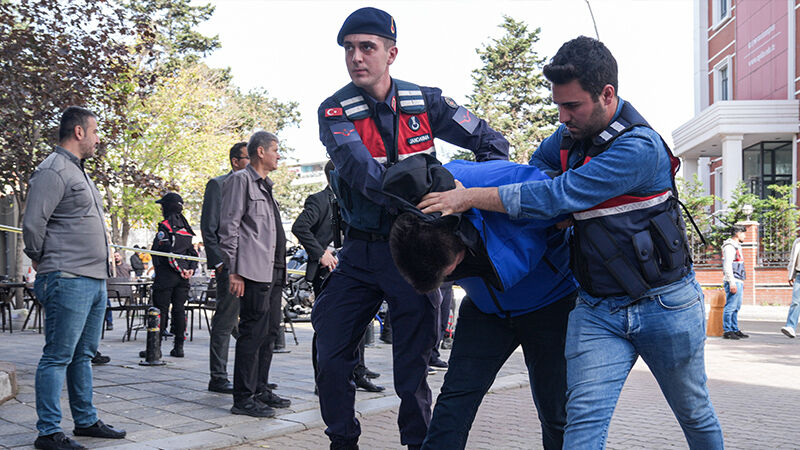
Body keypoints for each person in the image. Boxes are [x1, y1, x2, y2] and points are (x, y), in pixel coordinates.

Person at [417, 36, 724, 449]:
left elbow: (557, 195)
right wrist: (556, 204)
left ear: (607, 94)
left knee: (693, 412)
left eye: (572, 105)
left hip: (664, 305)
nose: (563, 117)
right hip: (598, 310)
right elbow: (537, 172)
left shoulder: (639, 148)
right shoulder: (567, 138)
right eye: (558, 106)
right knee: (580, 424)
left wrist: (469, 197)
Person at [314, 7, 509, 449]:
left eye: (367, 47)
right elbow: (366, 175)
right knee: (331, 353)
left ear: (391, 53)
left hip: (414, 255)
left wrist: (472, 191)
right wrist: (433, 188)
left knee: (413, 367)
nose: (356, 57)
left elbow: (490, 141)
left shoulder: (425, 101)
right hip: (360, 254)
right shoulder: (335, 110)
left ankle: (418, 443)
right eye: (349, 48)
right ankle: (342, 440)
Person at [386, 156, 578, 449]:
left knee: (555, 412)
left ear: (459, 235)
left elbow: (566, 199)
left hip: (549, 303)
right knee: (454, 403)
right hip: (485, 309)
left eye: (453, 271)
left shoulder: (496, 179)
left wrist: (479, 200)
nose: (454, 277)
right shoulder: (411, 216)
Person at [23, 106, 126, 450]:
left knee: (83, 355)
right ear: (79, 132)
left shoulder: (78, 171)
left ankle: (85, 420)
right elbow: (33, 225)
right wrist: (42, 258)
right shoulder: (52, 170)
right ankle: (48, 432)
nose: (98, 138)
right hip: (67, 277)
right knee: (57, 356)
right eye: (95, 131)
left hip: (94, 279)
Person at [292, 161, 384, 394]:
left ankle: (358, 372)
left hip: (354, 268)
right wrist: (320, 253)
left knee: (359, 322)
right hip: (327, 272)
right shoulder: (319, 200)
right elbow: (300, 227)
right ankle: (322, 379)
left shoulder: (353, 198)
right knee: (326, 326)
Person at [219, 131, 291, 418]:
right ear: (260, 152)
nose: (278, 155)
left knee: (270, 331)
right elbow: (229, 227)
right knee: (252, 332)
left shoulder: (266, 186)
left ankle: (261, 388)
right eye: (275, 149)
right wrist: (234, 270)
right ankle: (243, 398)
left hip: (273, 269)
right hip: (252, 270)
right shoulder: (240, 181)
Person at [201, 141, 249, 394]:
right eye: (247, 158)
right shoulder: (218, 185)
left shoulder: (257, 186)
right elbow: (209, 227)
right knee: (225, 320)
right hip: (229, 266)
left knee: (249, 323)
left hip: (253, 266)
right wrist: (220, 263)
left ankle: (252, 375)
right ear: (235, 161)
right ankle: (218, 376)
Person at [151, 192, 198, 358]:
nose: (161, 209)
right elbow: (193, 253)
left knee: (161, 311)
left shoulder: (166, 227)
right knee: (179, 310)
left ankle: (154, 348)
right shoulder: (186, 227)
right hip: (183, 278)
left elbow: (167, 253)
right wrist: (190, 269)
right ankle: (179, 347)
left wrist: (181, 269)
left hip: (167, 277)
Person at [722, 225, 748, 340]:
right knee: (730, 306)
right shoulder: (729, 247)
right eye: (743, 233)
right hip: (733, 280)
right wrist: (732, 282)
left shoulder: (737, 246)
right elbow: (727, 265)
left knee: (736, 306)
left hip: (738, 280)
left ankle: (734, 329)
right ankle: (728, 330)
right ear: (737, 233)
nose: (745, 236)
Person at [782, 235, 800, 338]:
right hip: (799, 275)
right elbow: (792, 259)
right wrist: (790, 275)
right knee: (795, 302)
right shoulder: (797, 242)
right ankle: (790, 327)